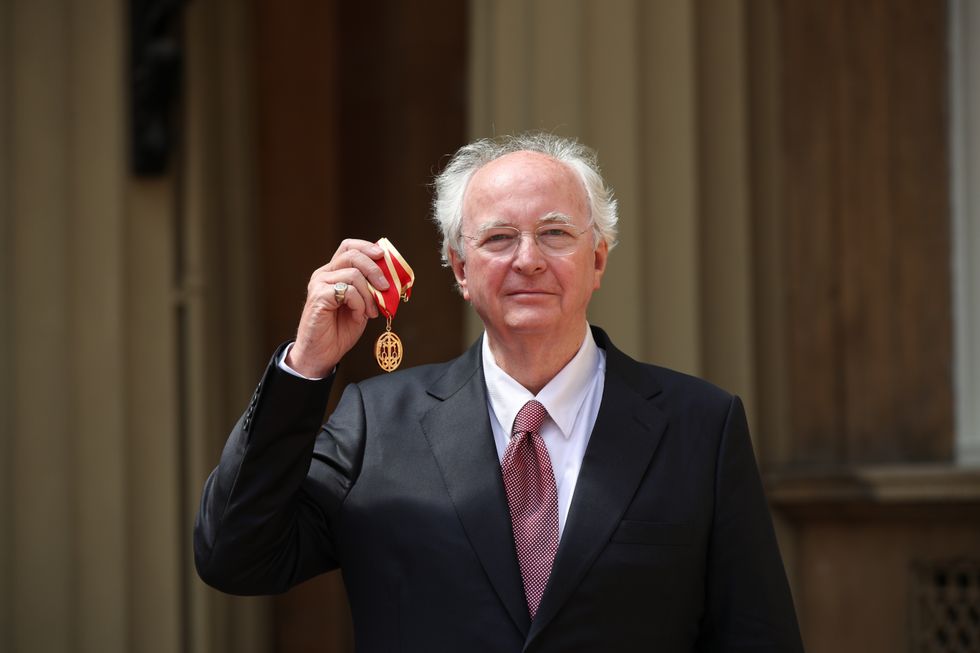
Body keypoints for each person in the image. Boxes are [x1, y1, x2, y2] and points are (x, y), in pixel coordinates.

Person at [194, 133, 805, 652]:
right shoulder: (375, 425)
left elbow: (756, 635)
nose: (529, 260)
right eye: (498, 238)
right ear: (460, 269)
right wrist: (306, 364)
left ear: (598, 260)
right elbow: (234, 554)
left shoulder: (701, 425)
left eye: (556, 234)